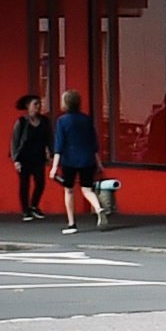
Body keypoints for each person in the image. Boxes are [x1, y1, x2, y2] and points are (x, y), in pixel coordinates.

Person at [49, 90, 104, 233]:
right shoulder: (87, 119)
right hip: (88, 159)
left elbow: (59, 146)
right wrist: (98, 163)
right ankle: (98, 208)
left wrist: (54, 167)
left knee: (69, 190)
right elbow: (93, 143)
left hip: (69, 161)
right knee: (87, 189)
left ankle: (72, 224)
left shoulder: (62, 121)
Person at [9, 93, 52, 222]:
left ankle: (34, 205)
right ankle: (25, 210)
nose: (38, 107)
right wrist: (15, 160)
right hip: (24, 158)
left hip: (38, 157)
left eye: (39, 104)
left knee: (40, 182)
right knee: (24, 184)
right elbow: (14, 141)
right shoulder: (21, 122)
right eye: (35, 104)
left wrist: (51, 152)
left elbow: (49, 138)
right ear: (28, 106)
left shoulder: (44, 121)